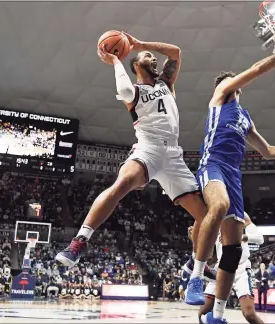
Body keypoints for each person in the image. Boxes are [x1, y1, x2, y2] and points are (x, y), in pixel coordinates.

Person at [185, 37, 275, 323]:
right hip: (212, 164)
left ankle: (217, 314)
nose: (230, 84)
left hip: (234, 175)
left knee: (234, 249)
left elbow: (268, 150)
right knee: (220, 204)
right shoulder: (221, 95)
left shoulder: (245, 118)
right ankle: (196, 276)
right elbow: (260, 67)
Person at [56, 32, 212, 280]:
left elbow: (175, 51)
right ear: (136, 65)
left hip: (173, 155)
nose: (153, 57)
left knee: (206, 216)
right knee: (123, 184)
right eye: (147, 56)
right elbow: (125, 90)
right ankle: (79, 241)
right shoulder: (134, 91)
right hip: (148, 148)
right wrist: (116, 61)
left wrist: (139, 44)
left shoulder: (166, 83)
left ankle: (195, 264)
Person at [200, 213, 264, 324]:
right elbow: (210, 255)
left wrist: (242, 237)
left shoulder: (242, 214)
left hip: (241, 269)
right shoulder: (213, 216)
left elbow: (260, 239)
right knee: (203, 313)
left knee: (249, 314)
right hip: (221, 269)